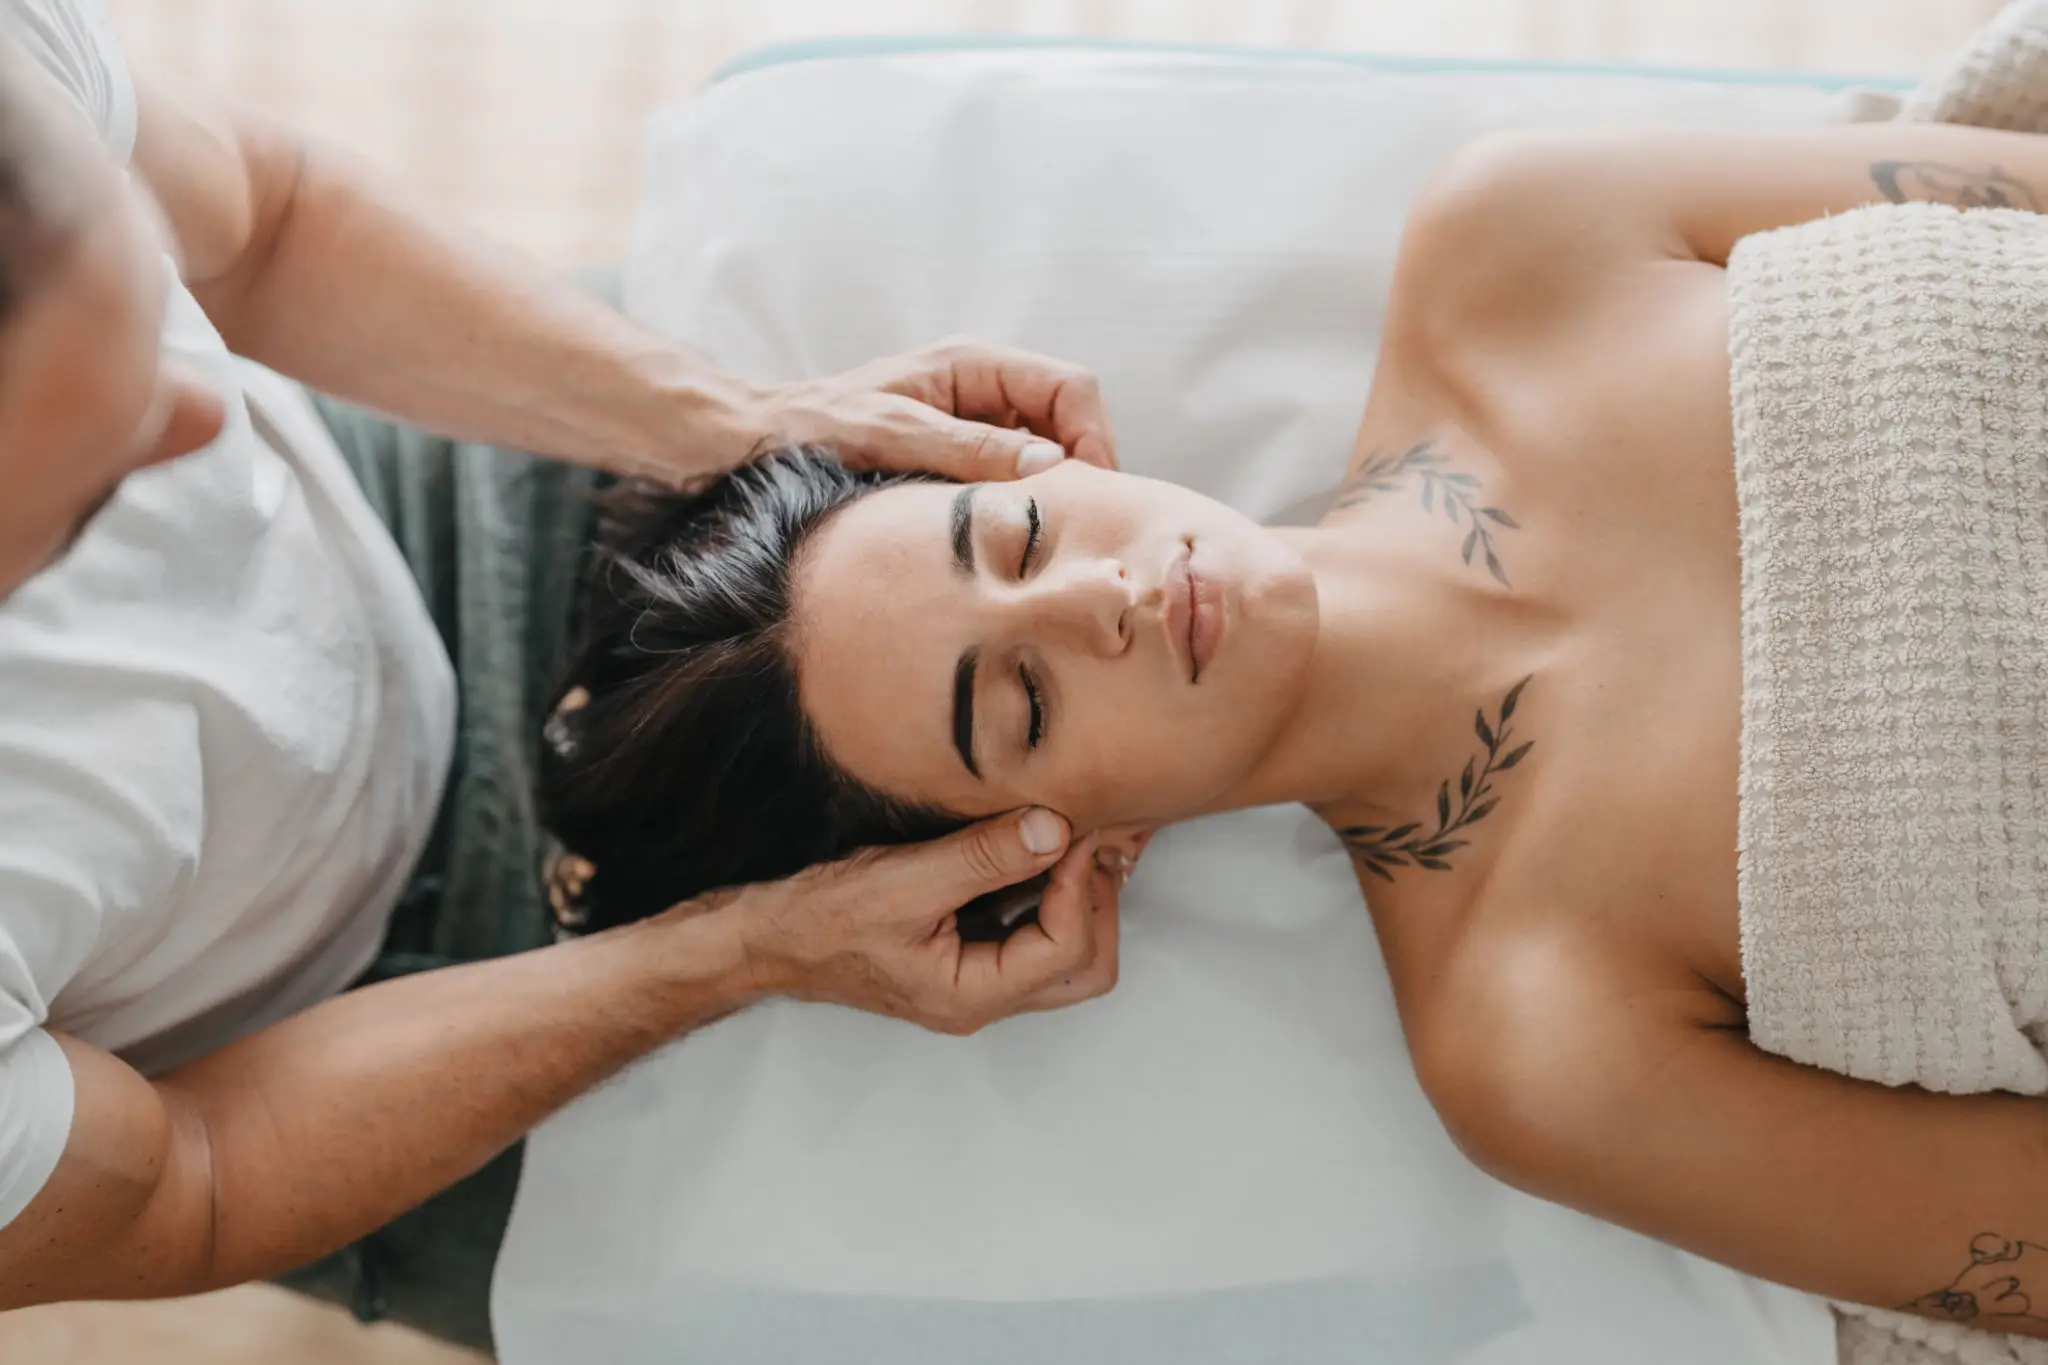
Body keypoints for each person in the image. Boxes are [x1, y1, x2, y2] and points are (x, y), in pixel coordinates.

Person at [538, 127, 2048, 1340]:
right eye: (1026, 703)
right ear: (1073, 855)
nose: (1100, 602)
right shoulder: (1533, 1042)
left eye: (1014, 538)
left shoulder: (1516, 244)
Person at [0, 0, 1128, 1351]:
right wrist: (740, 955)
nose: (199, 416)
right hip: (344, 1035)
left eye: (136, 309)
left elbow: (269, 225)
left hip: (415, 486)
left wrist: (728, 422)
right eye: (86, 498)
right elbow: (201, 1177)